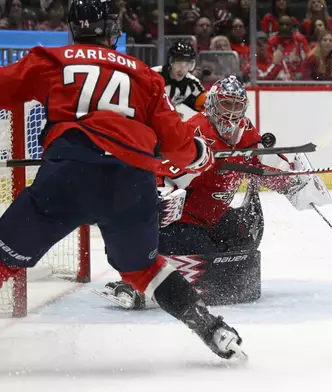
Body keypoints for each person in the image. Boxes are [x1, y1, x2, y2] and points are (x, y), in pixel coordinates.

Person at [0, 0, 245, 360]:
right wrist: (200, 154)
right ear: (112, 31)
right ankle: (212, 329)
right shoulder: (144, 74)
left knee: (5, 257)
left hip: (68, 177)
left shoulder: (52, 60)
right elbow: (179, 147)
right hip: (131, 185)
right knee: (143, 269)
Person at [97, 76, 332, 310]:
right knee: (207, 260)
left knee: (242, 240)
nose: (231, 113)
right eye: (226, 104)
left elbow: (262, 162)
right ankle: (140, 282)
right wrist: (163, 197)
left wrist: (292, 182)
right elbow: (159, 174)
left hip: (213, 217)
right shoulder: (192, 131)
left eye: (237, 106)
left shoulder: (245, 131)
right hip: (181, 223)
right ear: (212, 104)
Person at [152, 42, 207, 115]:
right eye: (178, 63)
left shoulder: (193, 83)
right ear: (170, 61)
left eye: (187, 64)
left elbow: (206, 105)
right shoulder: (153, 75)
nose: (183, 69)